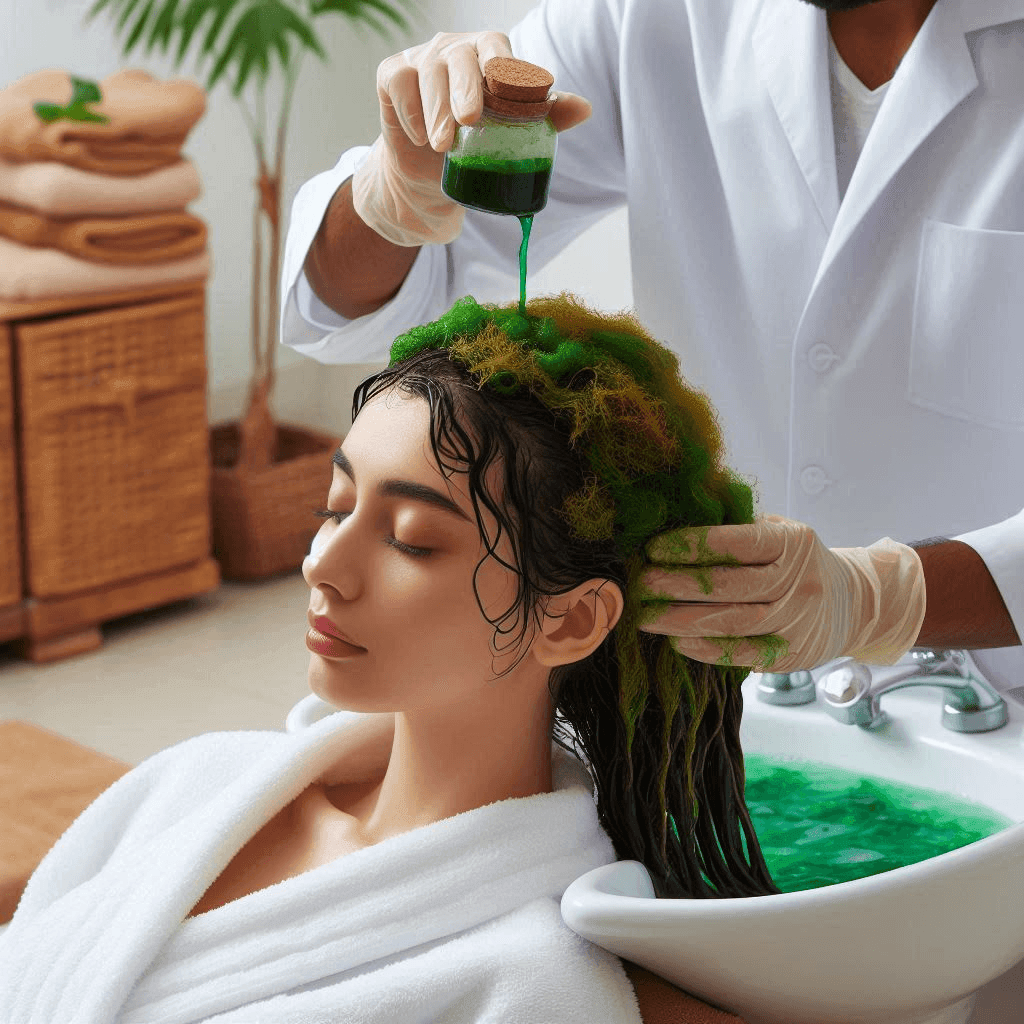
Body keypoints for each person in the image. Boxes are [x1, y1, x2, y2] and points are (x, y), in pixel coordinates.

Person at [0, 292, 769, 1023]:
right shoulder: (196, 785)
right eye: (333, 509)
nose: (322, 566)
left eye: (411, 539)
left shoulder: (530, 984)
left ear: (569, 620)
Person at [280, 0, 1023, 695]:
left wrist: (883, 600)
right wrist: (391, 192)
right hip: (725, 695)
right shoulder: (651, 15)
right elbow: (356, 295)